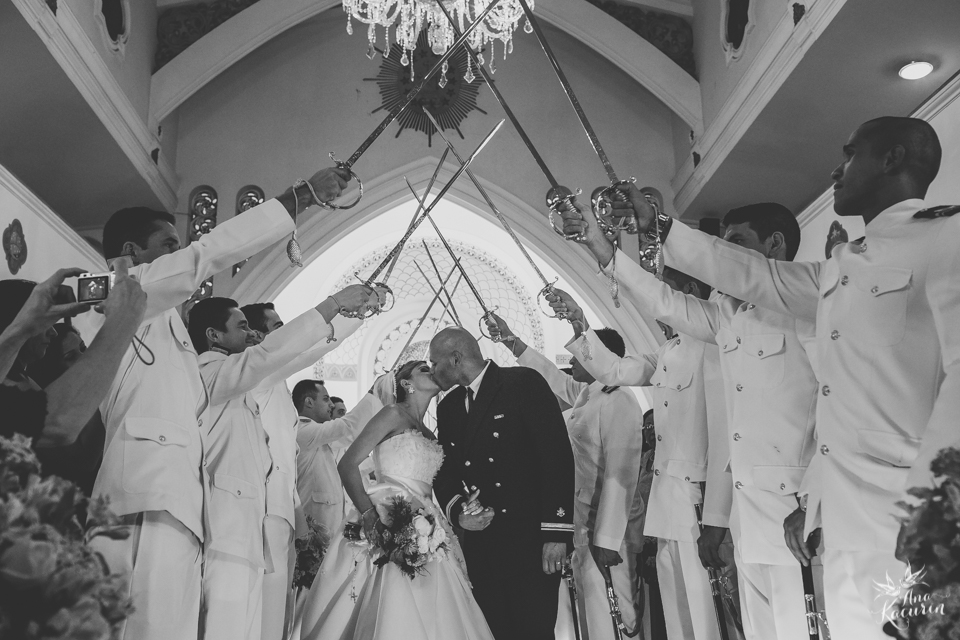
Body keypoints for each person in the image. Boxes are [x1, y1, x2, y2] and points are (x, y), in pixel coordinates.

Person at [564, 116, 959, 639]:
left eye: (851, 153)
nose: (837, 169)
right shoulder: (841, 266)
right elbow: (757, 279)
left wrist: (933, 512)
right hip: (838, 512)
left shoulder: (945, 235)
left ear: (893, 160)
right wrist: (651, 233)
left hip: (905, 512)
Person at [91, 165, 352, 640]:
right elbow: (205, 255)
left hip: (182, 503)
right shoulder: (126, 290)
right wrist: (296, 199)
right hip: (144, 493)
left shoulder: (168, 326)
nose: (182, 253)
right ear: (132, 254)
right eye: (169, 244)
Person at [560, 198, 821, 640]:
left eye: (736, 243)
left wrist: (813, 498)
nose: (724, 256)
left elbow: (830, 407)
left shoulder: (807, 305)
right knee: (759, 630)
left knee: (804, 625)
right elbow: (664, 302)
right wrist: (604, 252)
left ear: (775, 244)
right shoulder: (728, 319)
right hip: (748, 510)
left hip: (793, 505)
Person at [546, 281, 734, 640]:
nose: (659, 315)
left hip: (700, 504)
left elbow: (723, 434)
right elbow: (614, 369)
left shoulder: (715, 346)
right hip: (667, 510)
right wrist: (579, 323)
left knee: (713, 616)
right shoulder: (666, 353)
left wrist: (716, 515)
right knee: (681, 620)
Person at [190, 286, 374, 640]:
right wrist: (338, 307)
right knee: (231, 621)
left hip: (275, 513)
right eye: (245, 327)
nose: (255, 335)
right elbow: (295, 352)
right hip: (237, 515)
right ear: (214, 335)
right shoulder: (223, 372)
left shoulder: (259, 381)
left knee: (272, 622)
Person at [299, 361, 496, 640]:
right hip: (389, 512)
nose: (433, 371)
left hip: (427, 520)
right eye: (424, 369)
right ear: (406, 383)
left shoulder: (429, 432)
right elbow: (347, 464)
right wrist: (369, 514)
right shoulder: (392, 414)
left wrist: (465, 501)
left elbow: (434, 482)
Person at [487, 313, 644, 640]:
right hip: (581, 526)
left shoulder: (620, 400)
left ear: (601, 357)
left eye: (581, 353)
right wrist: (512, 342)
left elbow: (621, 472)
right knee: (588, 619)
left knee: (613, 618)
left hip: (605, 534)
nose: (572, 359)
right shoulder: (587, 396)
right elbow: (551, 377)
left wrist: (608, 540)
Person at [429, 327, 575, 640]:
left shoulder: (521, 383)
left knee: (533, 629)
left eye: (434, 362)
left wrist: (556, 533)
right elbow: (446, 471)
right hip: (484, 543)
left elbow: (556, 458)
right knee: (494, 630)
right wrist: (459, 513)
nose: (432, 370)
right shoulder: (449, 407)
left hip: (530, 540)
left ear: (455, 358)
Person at [0, 264, 146, 444]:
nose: (52, 333)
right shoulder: (11, 387)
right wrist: (123, 320)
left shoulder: (23, 378)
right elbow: (53, 424)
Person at [293, 379, 383, 538]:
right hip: (313, 530)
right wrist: (376, 392)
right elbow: (347, 428)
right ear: (309, 402)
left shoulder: (318, 434)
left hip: (332, 527)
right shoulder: (302, 429)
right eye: (326, 399)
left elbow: (349, 436)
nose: (331, 405)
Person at [28, 323, 106, 495]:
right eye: (70, 356)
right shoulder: (44, 408)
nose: (84, 358)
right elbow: (84, 460)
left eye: (83, 348)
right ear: (50, 369)